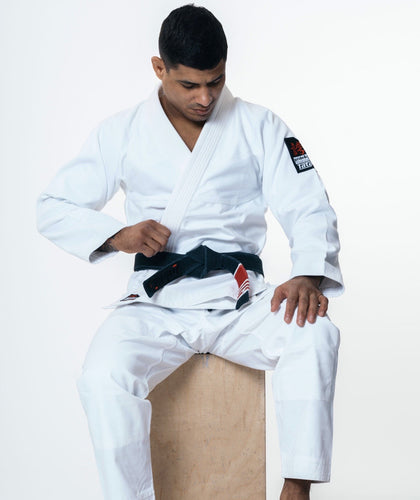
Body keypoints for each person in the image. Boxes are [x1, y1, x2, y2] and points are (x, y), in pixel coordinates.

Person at [36, 5, 343, 500]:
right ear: (159, 68)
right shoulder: (122, 131)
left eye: (216, 82)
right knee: (102, 376)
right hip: (157, 305)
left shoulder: (261, 126)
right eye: (189, 85)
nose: (205, 98)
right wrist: (119, 236)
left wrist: (307, 274)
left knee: (316, 333)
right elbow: (52, 206)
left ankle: (297, 485)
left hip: (241, 300)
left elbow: (309, 204)